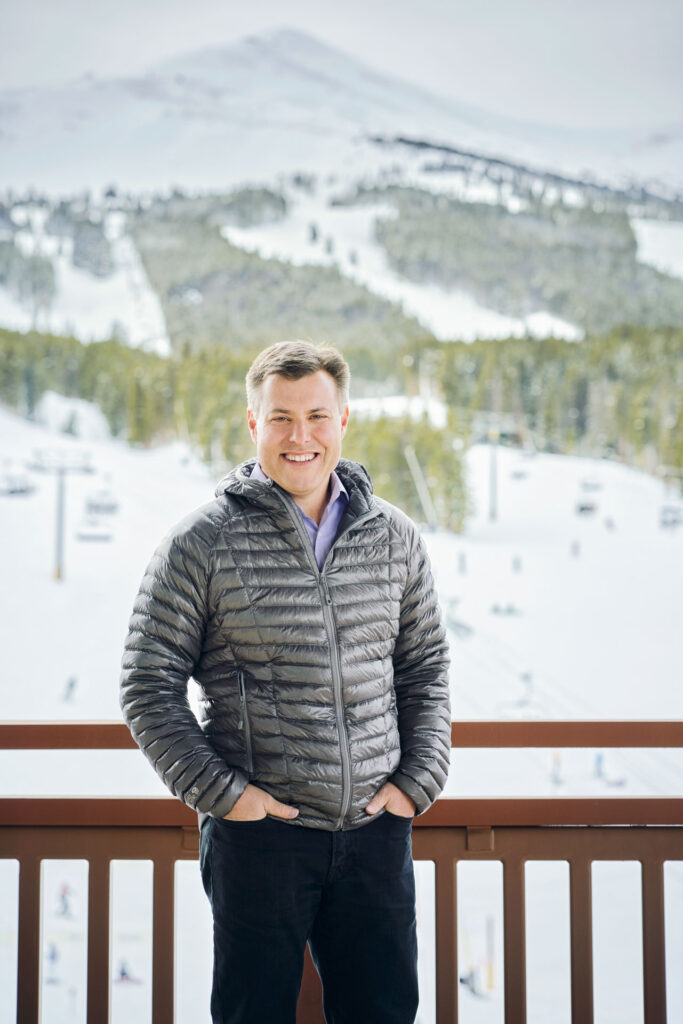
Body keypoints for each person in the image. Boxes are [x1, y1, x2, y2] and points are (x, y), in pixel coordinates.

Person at [120, 340, 451, 1024]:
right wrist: (224, 797)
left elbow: (423, 666)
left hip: (374, 834)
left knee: (384, 1013)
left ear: (343, 421)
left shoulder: (395, 538)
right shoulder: (199, 544)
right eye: (280, 418)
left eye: (316, 416)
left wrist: (417, 780)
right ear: (252, 424)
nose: (299, 437)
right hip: (259, 840)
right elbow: (148, 684)